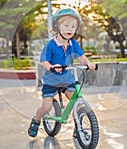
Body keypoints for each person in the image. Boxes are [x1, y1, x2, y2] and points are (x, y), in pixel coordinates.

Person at [28, 8, 96, 137]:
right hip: (51, 81)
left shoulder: (73, 44)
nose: (69, 29)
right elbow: (44, 61)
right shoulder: (51, 45)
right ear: (57, 27)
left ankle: (79, 128)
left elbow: (81, 57)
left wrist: (88, 63)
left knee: (77, 102)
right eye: (66, 25)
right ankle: (36, 120)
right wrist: (52, 67)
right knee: (47, 107)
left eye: (73, 27)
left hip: (67, 79)